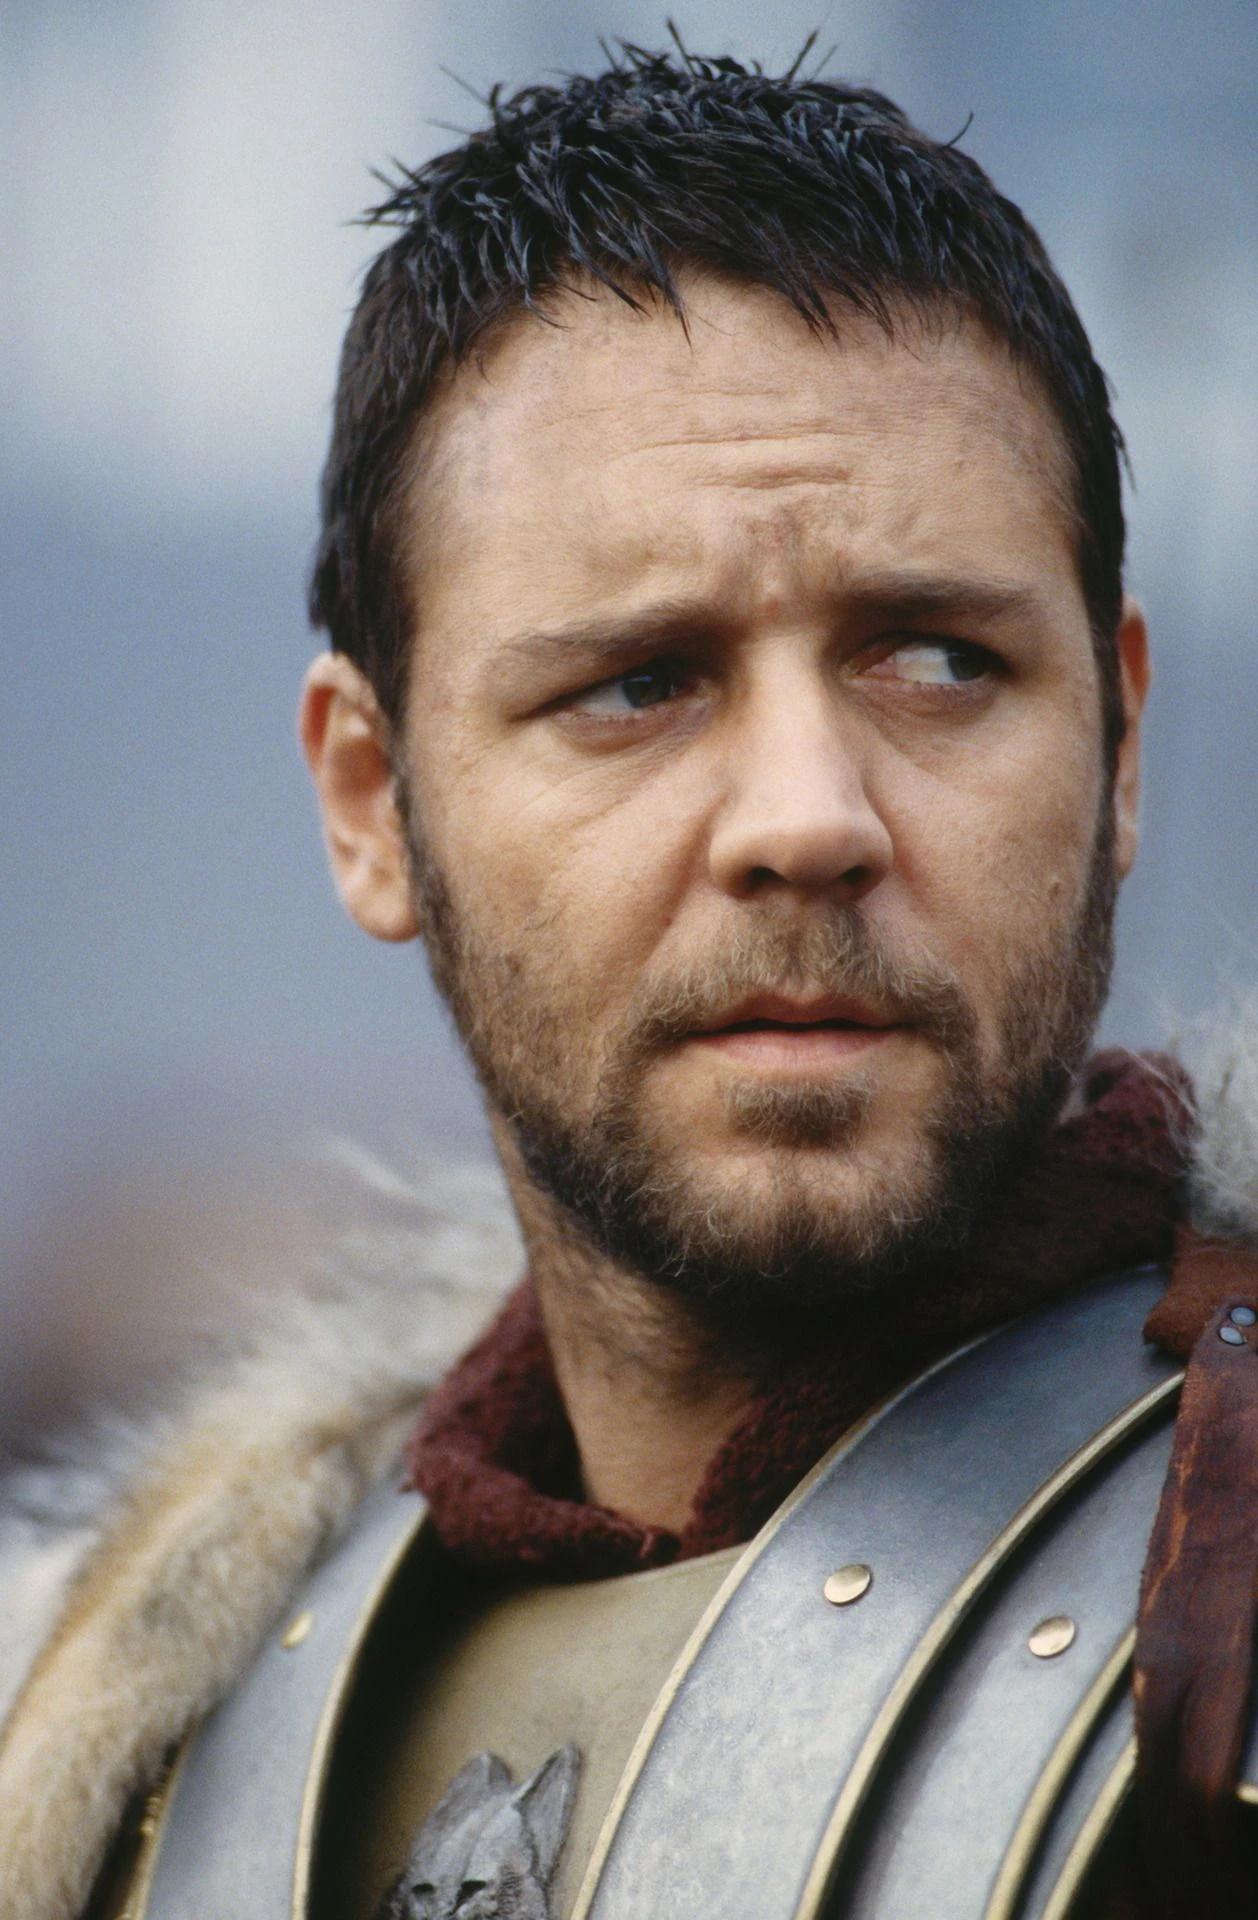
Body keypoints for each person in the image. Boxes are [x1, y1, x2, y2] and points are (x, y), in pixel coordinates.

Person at [1, 43, 1256, 1920]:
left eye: (935, 659)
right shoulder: (115, 1758)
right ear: (372, 803)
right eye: (637, 684)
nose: (807, 817)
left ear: (1120, 745)